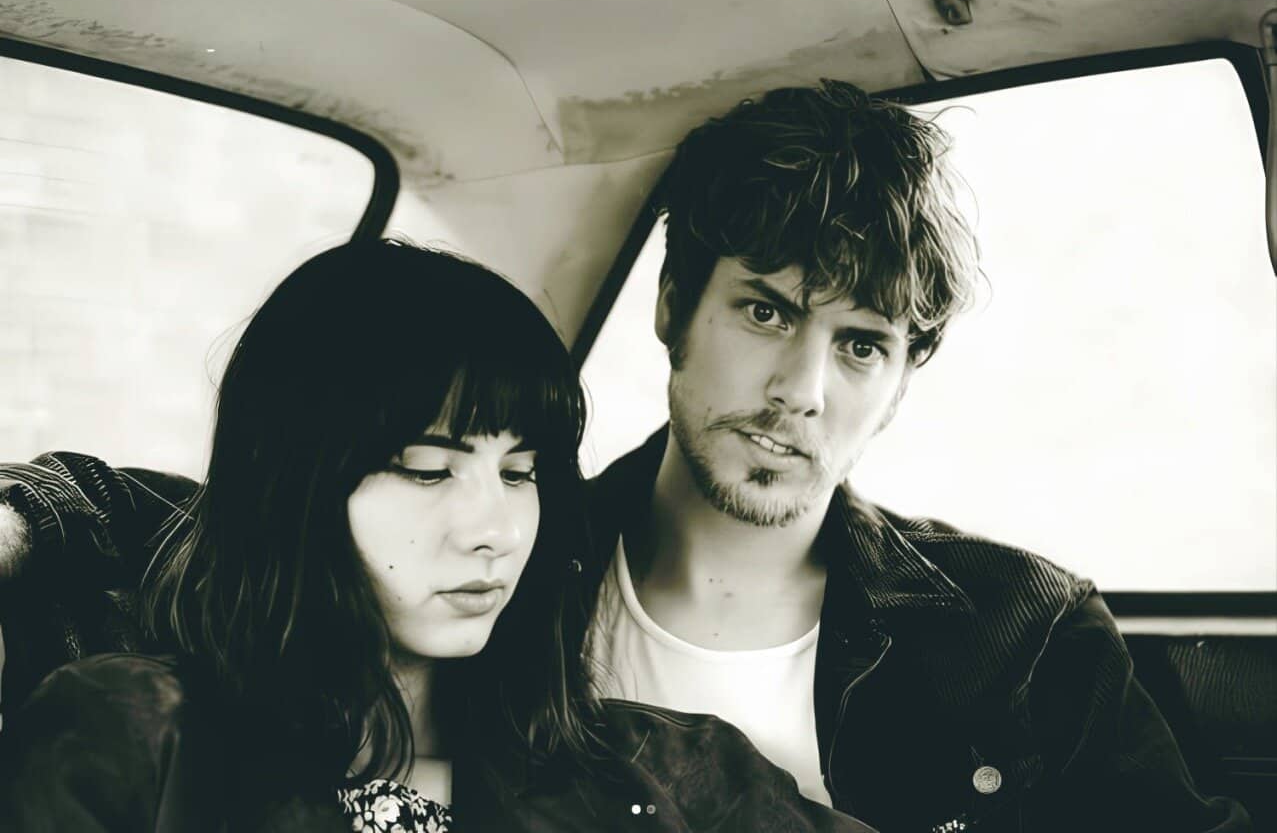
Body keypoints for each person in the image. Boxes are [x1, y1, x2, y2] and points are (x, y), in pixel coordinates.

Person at [0, 81, 1251, 833]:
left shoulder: (1014, 633)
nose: (800, 392)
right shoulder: (523, 570)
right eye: (764, 310)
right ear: (673, 308)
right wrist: (23, 511)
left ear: (904, 373)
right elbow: (222, 505)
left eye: (860, 344)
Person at [0, 240, 873, 832]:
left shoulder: (663, 774)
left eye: (521, 472)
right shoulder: (135, 735)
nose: (493, 529)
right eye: (426, 469)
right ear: (295, 484)